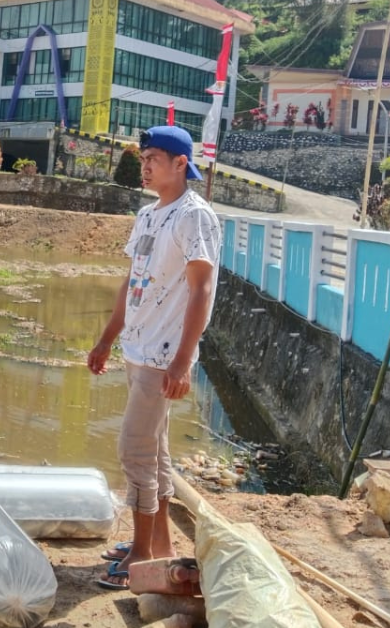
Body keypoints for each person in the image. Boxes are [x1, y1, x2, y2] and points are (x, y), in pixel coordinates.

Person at [87, 126, 221, 591]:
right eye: (142, 158)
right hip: (137, 348)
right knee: (156, 452)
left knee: (134, 448)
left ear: (181, 163)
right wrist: (107, 339)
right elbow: (133, 279)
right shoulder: (148, 215)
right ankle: (158, 547)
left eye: (154, 159)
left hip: (164, 354)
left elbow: (202, 288)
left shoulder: (194, 217)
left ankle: (143, 552)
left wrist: (183, 361)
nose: (144, 166)